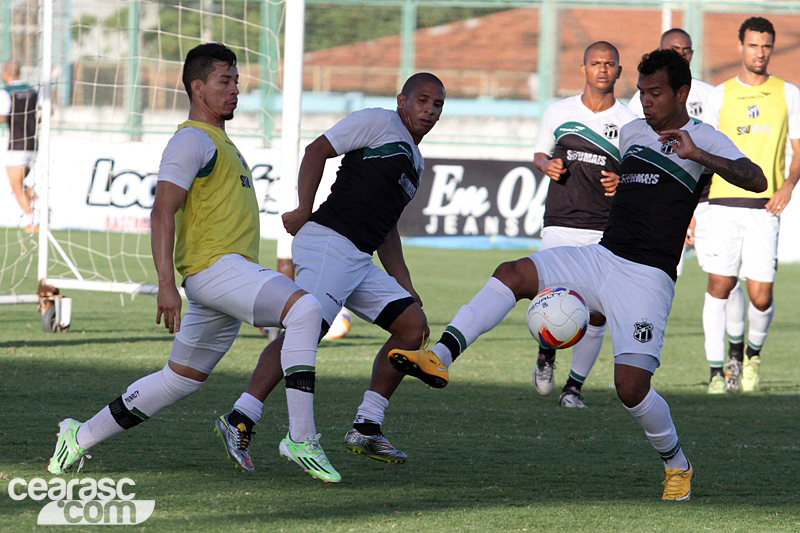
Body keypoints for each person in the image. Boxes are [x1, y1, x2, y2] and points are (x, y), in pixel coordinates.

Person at [389, 49, 766, 500]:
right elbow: (636, 182)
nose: (646, 101)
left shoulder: (704, 137)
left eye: (656, 93)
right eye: (642, 92)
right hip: (601, 256)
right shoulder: (631, 131)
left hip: (647, 278)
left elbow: (756, 179)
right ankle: (441, 357)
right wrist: (619, 181)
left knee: (630, 388)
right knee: (512, 272)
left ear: (682, 92)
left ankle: (677, 464)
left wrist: (699, 154)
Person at [47, 43, 341, 484]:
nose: (236, 90)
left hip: (223, 279)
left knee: (179, 380)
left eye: (237, 81)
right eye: (225, 82)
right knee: (306, 309)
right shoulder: (191, 139)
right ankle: (302, 438)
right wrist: (166, 283)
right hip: (215, 270)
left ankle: (79, 436)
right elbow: (162, 210)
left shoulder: (223, 143)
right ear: (197, 87)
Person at [216, 73, 445, 465]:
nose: (429, 109)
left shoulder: (416, 160)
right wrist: (304, 207)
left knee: (414, 328)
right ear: (401, 99)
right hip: (328, 243)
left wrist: (403, 280)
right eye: (422, 100)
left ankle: (368, 426)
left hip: (358, 258)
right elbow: (316, 150)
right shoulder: (379, 121)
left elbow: (387, 225)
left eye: (437, 104)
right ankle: (241, 417)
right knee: (306, 332)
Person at [532, 41, 636, 408]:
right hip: (560, 222)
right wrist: (548, 166)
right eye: (596, 63)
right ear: (583, 69)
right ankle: (546, 355)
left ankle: (573, 388)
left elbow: (636, 175)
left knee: (596, 312)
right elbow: (540, 154)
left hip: (604, 228)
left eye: (610, 63)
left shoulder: (629, 123)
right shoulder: (559, 112)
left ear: (620, 72)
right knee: (550, 301)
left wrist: (622, 182)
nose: (603, 69)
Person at [701, 17, 800, 393]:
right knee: (720, 283)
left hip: (764, 207)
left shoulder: (788, 93)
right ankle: (716, 371)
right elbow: (704, 151)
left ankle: (750, 355)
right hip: (722, 204)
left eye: (766, 46)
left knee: (761, 295)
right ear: (740, 46)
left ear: (771, 48)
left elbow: (798, 149)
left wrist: (789, 185)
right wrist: (698, 207)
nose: (759, 52)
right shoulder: (720, 95)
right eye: (753, 45)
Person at [0, 60, 38, 230]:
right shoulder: (33, 91)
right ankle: (40, 204)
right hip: (33, 144)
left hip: (16, 144)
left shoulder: (6, 92)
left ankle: (33, 219)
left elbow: (3, 117)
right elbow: (45, 112)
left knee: (15, 185)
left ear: (5, 73)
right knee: (20, 182)